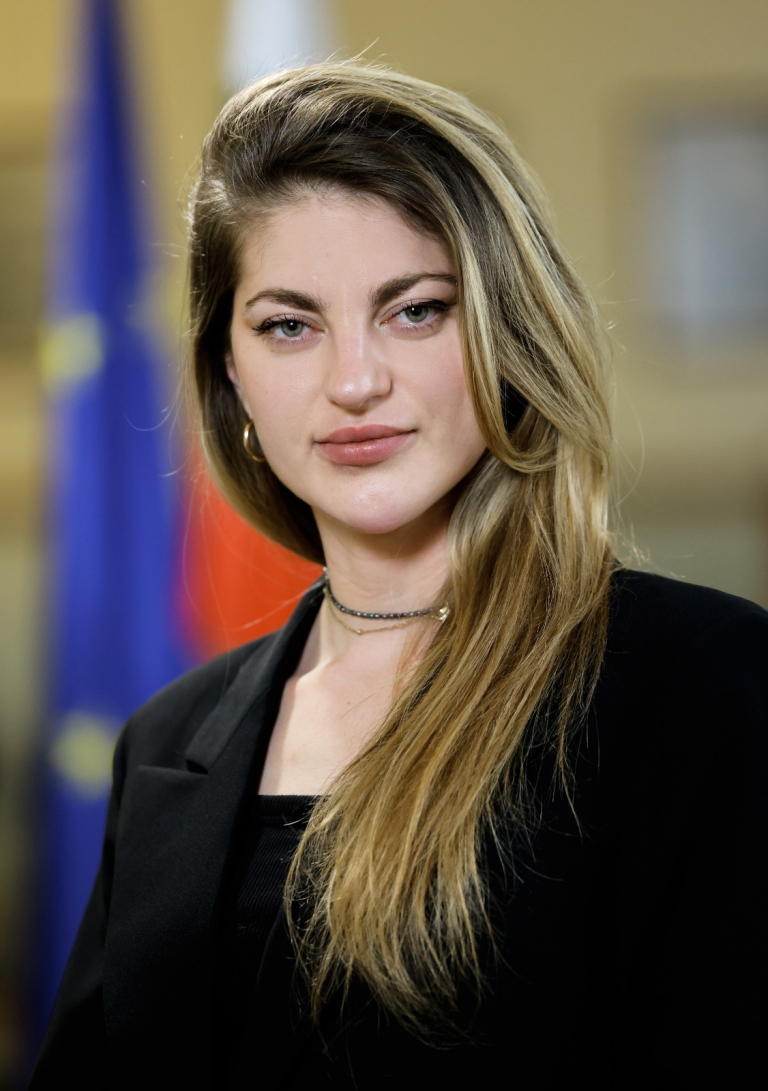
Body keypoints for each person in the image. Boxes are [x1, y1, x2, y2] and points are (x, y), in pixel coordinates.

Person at [31, 62, 768, 1090]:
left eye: (414, 310)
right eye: (289, 325)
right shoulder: (166, 740)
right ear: (231, 369)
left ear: (506, 332)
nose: (354, 381)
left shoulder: (708, 685)